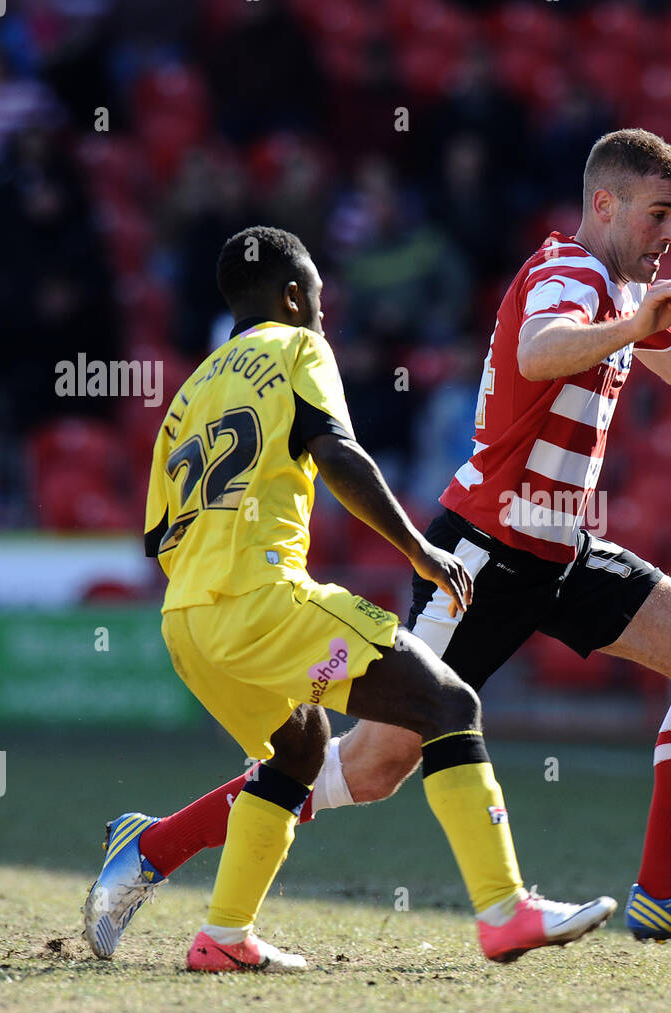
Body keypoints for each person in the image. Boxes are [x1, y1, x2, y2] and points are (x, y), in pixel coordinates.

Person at [86, 130, 671, 956]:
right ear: (606, 204)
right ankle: (157, 845)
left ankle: (666, 890)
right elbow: (539, 348)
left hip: (566, 550)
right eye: (660, 214)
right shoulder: (568, 274)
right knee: (372, 767)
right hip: (484, 552)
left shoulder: (616, 292)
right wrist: (630, 328)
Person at [83, 226, 615, 971]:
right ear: (296, 294)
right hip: (259, 598)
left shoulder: (190, 394)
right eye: (322, 301)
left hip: (186, 622)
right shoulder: (296, 348)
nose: (327, 317)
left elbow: (161, 539)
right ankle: (504, 909)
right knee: (447, 704)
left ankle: (224, 937)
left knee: (298, 751)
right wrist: (417, 551)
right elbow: (337, 452)